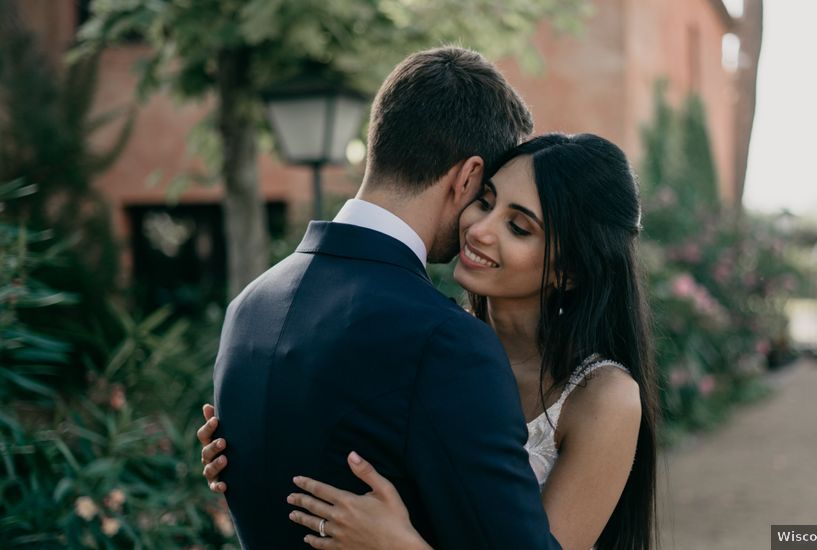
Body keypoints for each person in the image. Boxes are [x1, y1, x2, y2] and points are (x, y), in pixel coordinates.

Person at [202, 132, 659, 549]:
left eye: (519, 227)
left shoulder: (603, 398)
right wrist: (252, 444)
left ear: (569, 272)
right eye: (485, 201)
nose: (480, 228)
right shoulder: (435, 344)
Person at [208, 45, 560, 550]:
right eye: (484, 198)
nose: (482, 225)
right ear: (466, 176)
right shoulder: (447, 342)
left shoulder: (248, 308)